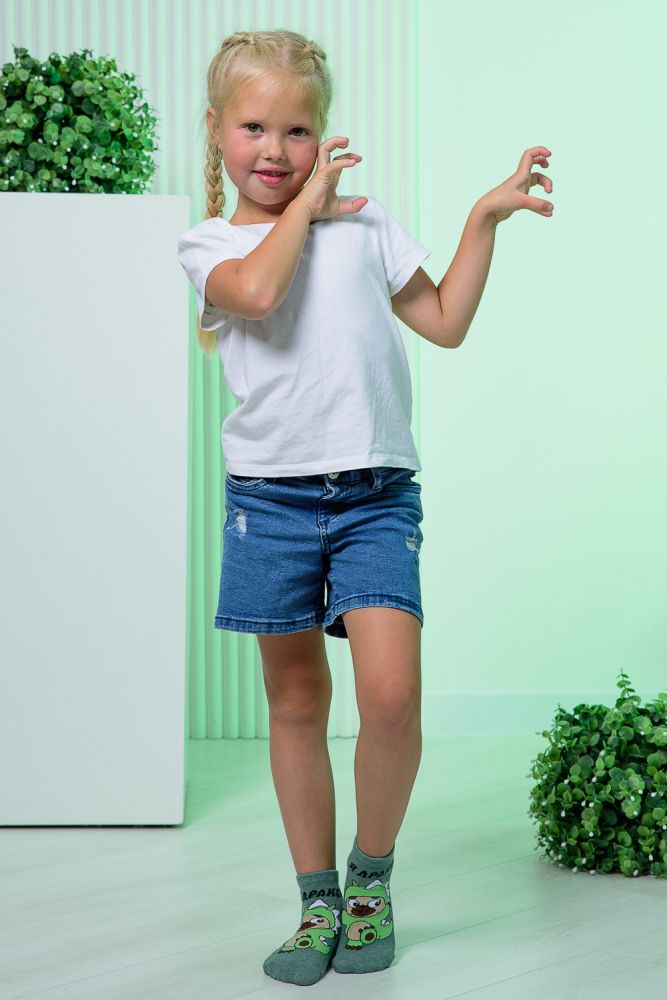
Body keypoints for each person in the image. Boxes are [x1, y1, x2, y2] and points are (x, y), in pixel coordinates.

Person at [177, 28, 554, 989]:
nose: (275, 150)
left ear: (324, 133)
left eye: (297, 131)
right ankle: (314, 903)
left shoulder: (364, 224)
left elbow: (444, 322)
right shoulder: (212, 244)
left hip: (374, 497)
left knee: (388, 698)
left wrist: (481, 219)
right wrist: (307, 207)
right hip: (269, 501)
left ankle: (368, 882)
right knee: (298, 701)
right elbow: (259, 291)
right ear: (215, 131)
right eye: (253, 128)